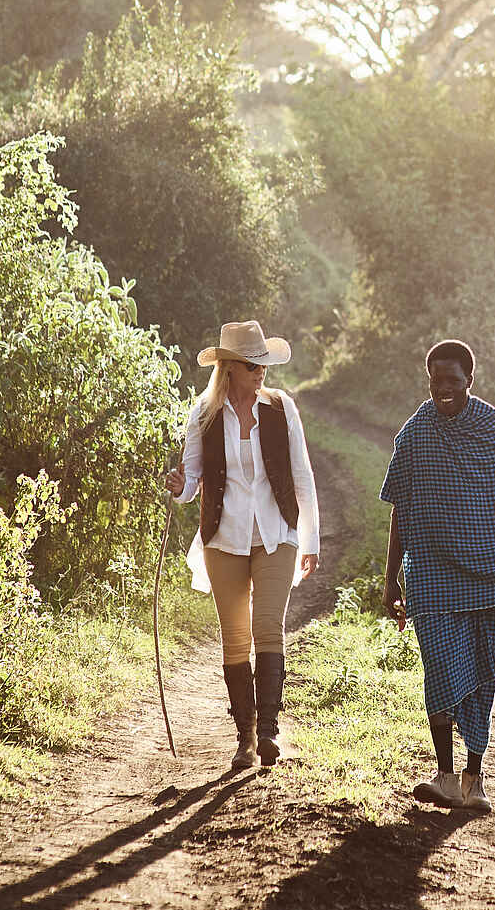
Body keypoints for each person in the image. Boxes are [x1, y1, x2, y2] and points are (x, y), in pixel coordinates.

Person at [381, 339, 495, 814]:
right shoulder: (416, 433)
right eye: (436, 381)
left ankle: (475, 780)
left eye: (452, 381)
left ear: (469, 381)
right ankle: (445, 776)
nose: (443, 390)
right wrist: (391, 577)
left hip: (492, 576)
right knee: (438, 666)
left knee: (481, 674)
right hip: (432, 571)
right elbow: (400, 508)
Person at [166, 320, 320, 769]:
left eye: (264, 365)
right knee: (235, 638)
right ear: (230, 368)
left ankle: (270, 732)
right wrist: (179, 487)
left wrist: (309, 537)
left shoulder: (281, 408)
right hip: (224, 538)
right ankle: (245, 738)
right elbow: (191, 480)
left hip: (276, 534)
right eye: (252, 366)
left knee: (268, 627)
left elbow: (303, 476)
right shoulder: (204, 413)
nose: (261, 374)